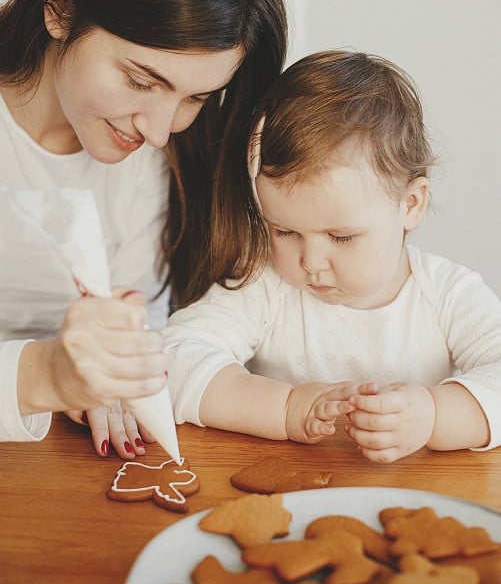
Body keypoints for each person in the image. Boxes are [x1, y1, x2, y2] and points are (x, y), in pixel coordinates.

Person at [0, 0, 287, 458]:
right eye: (142, 80)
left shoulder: (157, 163)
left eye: (195, 98)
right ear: (59, 9)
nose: (160, 130)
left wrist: (117, 370)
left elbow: (149, 328)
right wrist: (44, 373)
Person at [165, 49, 501, 463]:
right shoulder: (265, 285)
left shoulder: (449, 295)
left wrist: (434, 417)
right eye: (285, 231)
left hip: (412, 495)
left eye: (340, 237)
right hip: (288, 493)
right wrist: (286, 409)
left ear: (410, 205)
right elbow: (175, 358)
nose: (311, 262)